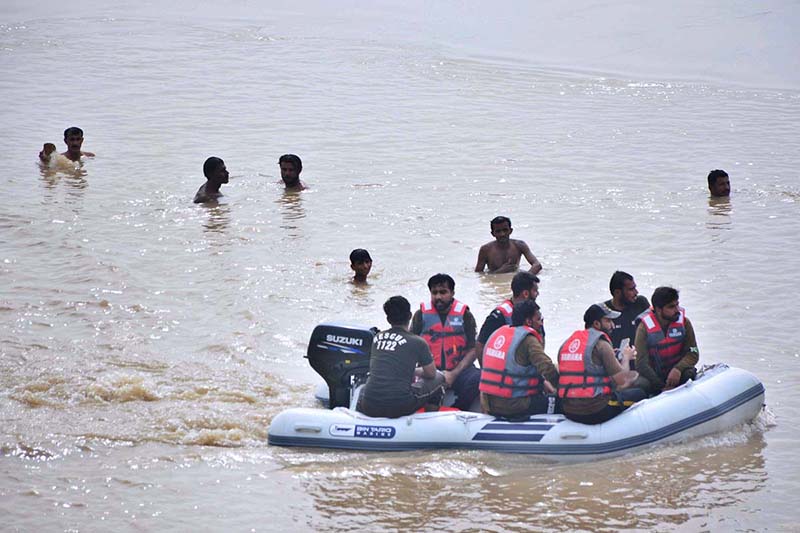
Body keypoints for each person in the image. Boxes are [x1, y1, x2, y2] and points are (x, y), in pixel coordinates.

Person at [356, 296, 445, 418]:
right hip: (399, 406)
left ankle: (359, 421)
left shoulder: (377, 338)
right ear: (410, 315)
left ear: (388, 319)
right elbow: (431, 374)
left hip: (369, 405)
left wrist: (407, 371)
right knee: (439, 378)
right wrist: (413, 371)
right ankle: (428, 422)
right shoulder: (418, 342)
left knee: (364, 388)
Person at [558, 303, 644, 425]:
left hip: (569, 410)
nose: (612, 325)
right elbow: (623, 382)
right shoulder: (602, 344)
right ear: (597, 324)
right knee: (640, 392)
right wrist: (626, 357)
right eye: (608, 321)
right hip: (595, 410)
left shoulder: (567, 343)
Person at [479, 300, 559, 419]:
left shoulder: (498, 333)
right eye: (538, 319)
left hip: (489, 404)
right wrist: (565, 390)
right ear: (528, 321)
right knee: (562, 404)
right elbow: (547, 368)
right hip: (515, 405)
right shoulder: (528, 340)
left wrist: (543, 382)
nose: (541, 324)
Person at [411, 273, 480, 410]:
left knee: (478, 378)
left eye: (443, 292)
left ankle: (458, 409)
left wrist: (454, 373)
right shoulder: (420, 315)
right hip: (429, 372)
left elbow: (473, 349)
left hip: (459, 370)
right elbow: (410, 345)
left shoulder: (465, 315)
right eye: (434, 293)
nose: (438, 297)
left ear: (452, 293)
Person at [634, 286, 699, 395]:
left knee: (689, 373)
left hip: (677, 372)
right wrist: (661, 386)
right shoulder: (643, 328)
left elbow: (693, 353)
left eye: (677, 304)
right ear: (659, 309)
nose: (677, 310)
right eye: (671, 307)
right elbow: (641, 363)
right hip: (654, 375)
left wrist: (677, 369)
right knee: (642, 384)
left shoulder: (684, 323)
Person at [476, 271, 542, 364]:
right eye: (535, 291)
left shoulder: (535, 314)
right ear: (526, 294)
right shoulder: (498, 316)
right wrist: (486, 371)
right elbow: (480, 345)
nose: (537, 294)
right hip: (505, 371)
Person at [475, 216, 542, 274]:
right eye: (498, 231)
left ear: (511, 230)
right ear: (493, 233)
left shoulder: (519, 245)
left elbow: (537, 265)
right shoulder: (486, 250)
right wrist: (500, 272)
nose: (502, 234)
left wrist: (525, 278)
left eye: (505, 230)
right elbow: (478, 274)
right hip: (495, 284)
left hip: (514, 281)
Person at [604, 271, 650, 354]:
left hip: (640, 360)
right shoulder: (604, 311)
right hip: (615, 363)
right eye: (631, 289)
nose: (636, 292)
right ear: (617, 292)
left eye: (635, 288)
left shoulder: (641, 303)